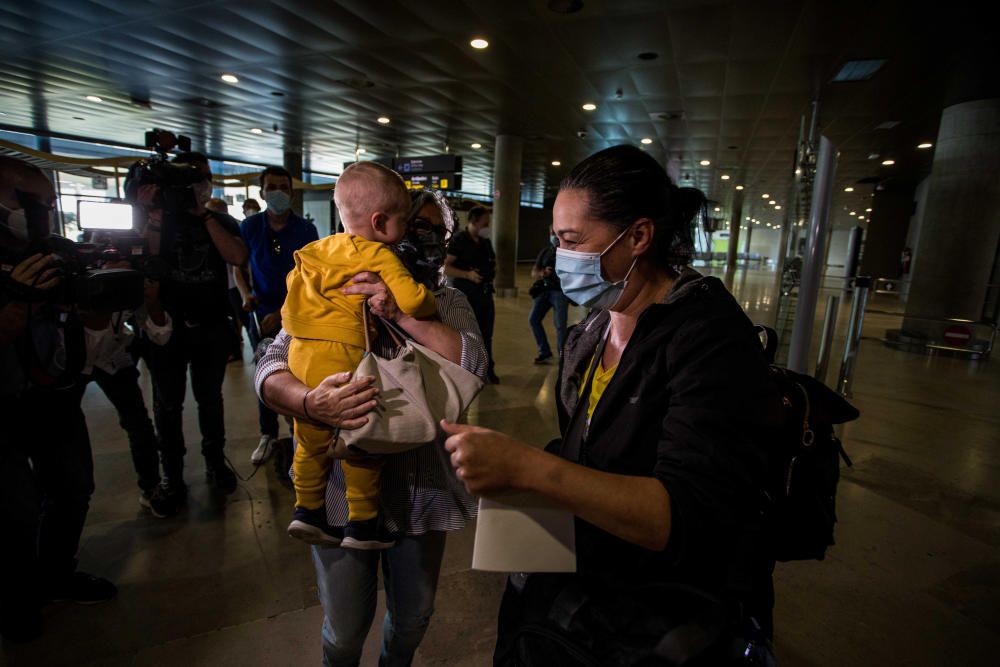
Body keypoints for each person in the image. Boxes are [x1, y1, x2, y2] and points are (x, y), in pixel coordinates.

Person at [439, 145, 775, 664]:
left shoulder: (709, 338)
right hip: (586, 591)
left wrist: (528, 467)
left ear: (639, 236)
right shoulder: (594, 327)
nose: (561, 256)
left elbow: (683, 517)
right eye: (557, 240)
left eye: (573, 240)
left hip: (656, 615)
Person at [256, 188, 486, 667]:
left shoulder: (447, 299)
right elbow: (270, 365)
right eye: (413, 226)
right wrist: (309, 401)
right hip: (341, 491)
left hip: (420, 489)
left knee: (413, 619)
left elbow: (473, 363)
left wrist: (399, 313)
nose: (423, 239)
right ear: (387, 226)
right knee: (343, 631)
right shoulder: (329, 281)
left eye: (435, 231)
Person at [281, 162, 437, 549]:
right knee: (362, 438)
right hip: (343, 354)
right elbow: (414, 300)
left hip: (301, 355)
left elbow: (291, 292)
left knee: (310, 437)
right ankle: (363, 524)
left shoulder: (315, 249)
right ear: (381, 222)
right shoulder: (376, 254)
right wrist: (426, 298)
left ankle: (307, 510)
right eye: (405, 221)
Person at [0, 157, 117, 642]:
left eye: (49, 204)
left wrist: (92, 301)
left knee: (73, 486)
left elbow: (93, 327)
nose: (44, 212)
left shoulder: (55, 253)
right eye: (35, 203)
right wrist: (18, 299)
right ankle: (13, 599)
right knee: (14, 506)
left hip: (53, 392)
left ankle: (55, 572)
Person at [136, 151, 248, 502]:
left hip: (211, 325)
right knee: (167, 406)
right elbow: (146, 258)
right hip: (167, 329)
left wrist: (202, 216)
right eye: (188, 179)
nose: (196, 185)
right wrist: (156, 216)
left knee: (210, 400)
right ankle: (172, 474)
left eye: (201, 177)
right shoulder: (156, 222)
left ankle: (215, 463)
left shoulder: (219, 221)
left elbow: (237, 256)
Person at [233, 166, 318, 466]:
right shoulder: (251, 227)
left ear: (292, 193)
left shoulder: (305, 231)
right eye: (272, 187)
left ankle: (297, 432)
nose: (278, 192)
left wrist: (284, 315)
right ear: (262, 192)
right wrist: (246, 295)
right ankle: (268, 433)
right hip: (261, 312)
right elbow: (239, 268)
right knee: (266, 371)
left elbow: (310, 277)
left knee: (298, 372)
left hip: (296, 312)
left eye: (284, 186)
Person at [79, 279, 175, 516]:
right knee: (64, 440)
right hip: (68, 360)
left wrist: (151, 301)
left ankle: (151, 488)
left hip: (113, 356)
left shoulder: (130, 282)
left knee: (139, 424)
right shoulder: (77, 278)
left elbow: (161, 335)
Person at [445, 205, 499, 383]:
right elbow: (446, 267)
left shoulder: (485, 242)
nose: (487, 227)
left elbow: (491, 262)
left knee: (487, 334)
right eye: (485, 223)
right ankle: (468, 371)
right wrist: (467, 274)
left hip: (484, 294)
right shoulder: (459, 240)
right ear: (474, 222)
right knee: (469, 335)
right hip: (466, 296)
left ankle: (487, 369)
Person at [528, 227, 569, 363]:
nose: (554, 236)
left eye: (556, 233)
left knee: (560, 326)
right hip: (544, 291)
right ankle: (544, 351)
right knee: (534, 319)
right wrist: (542, 273)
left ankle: (562, 356)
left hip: (559, 292)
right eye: (552, 233)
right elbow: (534, 271)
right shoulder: (546, 251)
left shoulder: (568, 252)